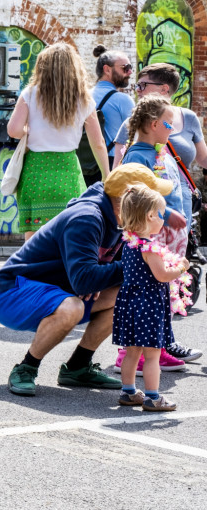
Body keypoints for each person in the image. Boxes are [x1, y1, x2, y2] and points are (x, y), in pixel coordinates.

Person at [0, 164, 171, 396]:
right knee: (72, 307)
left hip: (58, 289)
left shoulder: (121, 220)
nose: (156, 210)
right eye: (152, 202)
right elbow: (85, 281)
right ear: (130, 199)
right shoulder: (87, 218)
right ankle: (26, 367)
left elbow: (94, 277)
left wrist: (99, 277)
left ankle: (77, 367)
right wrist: (130, 267)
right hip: (12, 292)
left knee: (126, 294)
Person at [116, 95, 196, 372]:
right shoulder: (138, 155)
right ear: (152, 124)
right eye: (168, 124)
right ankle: (132, 354)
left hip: (168, 237)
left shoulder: (160, 151)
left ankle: (159, 347)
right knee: (149, 294)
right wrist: (166, 214)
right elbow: (136, 199)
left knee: (163, 294)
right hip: (154, 238)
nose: (171, 129)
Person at [7, 42, 109, 240]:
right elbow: (98, 143)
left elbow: (13, 130)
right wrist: (106, 175)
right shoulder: (84, 99)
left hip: (36, 170)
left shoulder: (30, 93)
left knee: (33, 235)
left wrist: (28, 130)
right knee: (67, 232)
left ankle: (30, 270)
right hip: (68, 170)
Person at [113, 186, 188, 412]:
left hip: (130, 302)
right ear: (150, 216)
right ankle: (153, 397)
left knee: (132, 350)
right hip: (148, 304)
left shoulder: (129, 243)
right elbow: (162, 275)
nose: (163, 219)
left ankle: (128, 392)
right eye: (162, 214)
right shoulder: (149, 248)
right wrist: (181, 268)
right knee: (153, 354)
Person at [86, 44, 135, 187]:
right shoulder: (123, 100)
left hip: (83, 164)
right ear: (107, 69)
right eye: (125, 68)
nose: (130, 72)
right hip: (113, 164)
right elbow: (136, 136)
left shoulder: (84, 96)